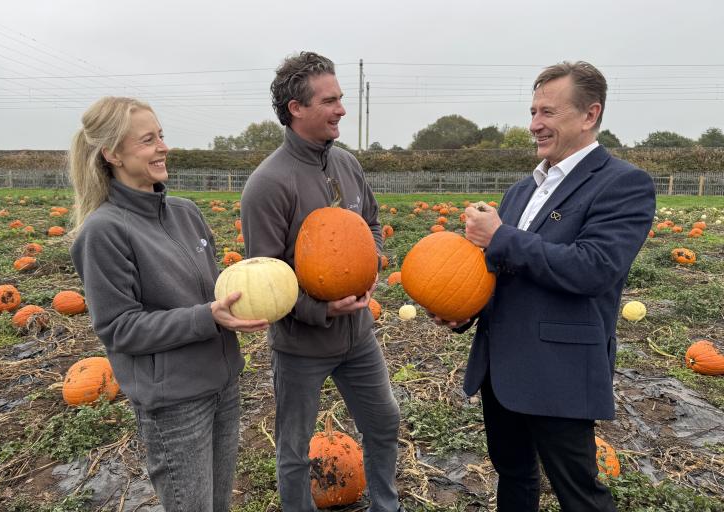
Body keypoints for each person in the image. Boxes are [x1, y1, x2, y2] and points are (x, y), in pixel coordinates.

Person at [439, 62, 656, 511]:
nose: (534, 124)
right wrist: (463, 308)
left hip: (560, 368)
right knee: (514, 478)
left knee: (579, 494)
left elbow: (595, 268)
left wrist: (500, 236)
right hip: (501, 369)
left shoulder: (622, 184)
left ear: (589, 115)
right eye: (533, 111)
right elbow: (501, 273)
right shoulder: (521, 190)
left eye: (548, 112)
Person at [68, 96, 268, 512]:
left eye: (161, 135)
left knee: (218, 505)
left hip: (223, 384)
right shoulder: (103, 232)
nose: (163, 147)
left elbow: (209, 291)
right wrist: (207, 317)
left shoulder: (185, 212)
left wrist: (249, 291)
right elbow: (120, 328)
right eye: (148, 140)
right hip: (175, 403)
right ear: (113, 154)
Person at [240, 52, 402, 512]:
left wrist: (369, 262)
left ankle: (386, 506)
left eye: (341, 98)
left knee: (384, 421)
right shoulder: (268, 184)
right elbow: (265, 278)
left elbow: (369, 223)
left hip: (358, 338)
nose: (342, 110)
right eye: (330, 101)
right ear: (297, 108)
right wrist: (321, 309)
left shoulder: (347, 164)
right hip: (301, 346)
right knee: (294, 446)